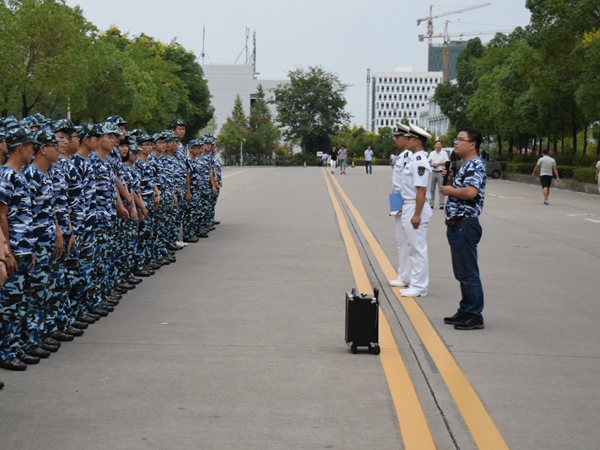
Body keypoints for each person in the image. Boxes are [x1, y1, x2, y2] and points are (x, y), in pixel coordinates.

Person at [440, 127, 486, 330]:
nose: (456, 142)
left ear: (472, 144)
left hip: (465, 225)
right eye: (456, 139)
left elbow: (470, 192)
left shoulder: (475, 165)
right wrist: (451, 180)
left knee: (468, 273)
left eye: (460, 139)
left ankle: (474, 314)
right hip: (457, 224)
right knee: (462, 272)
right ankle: (465, 309)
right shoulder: (466, 165)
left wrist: (450, 190)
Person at [398, 124, 432, 298]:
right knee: (412, 247)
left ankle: (419, 286)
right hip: (410, 204)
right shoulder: (413, 159)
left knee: (417, 248)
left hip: (416, 206)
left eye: (410, 138)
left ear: (417, 142)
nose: (407, 140)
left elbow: (421, 190)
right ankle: (415, 281)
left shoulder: (419, 162)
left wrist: (417, 214)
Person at [388, 123, 412, 289]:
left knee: (405, 241)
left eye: (398, 137)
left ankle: (406, 276)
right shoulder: (403, 156)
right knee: (401, 240)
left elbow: (408, 183)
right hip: (398, 198)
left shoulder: (409, 156)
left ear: (406, 138)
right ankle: (404, 274)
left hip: (405, 200)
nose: (396, 140)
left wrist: (404, 201)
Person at [428, 140, 449, 209]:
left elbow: (446, 162)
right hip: (433, 172)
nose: (438, 145)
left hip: (440, 172)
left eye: (439, 144)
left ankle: (441, 204)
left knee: (441, 189)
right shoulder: (432, 153)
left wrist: (439, 163)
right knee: (432, 189)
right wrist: (432, 164)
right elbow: (428, 161)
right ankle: (431, 204)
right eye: (437, 144)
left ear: (441, 145)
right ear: (434, 145)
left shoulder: (444, 153)